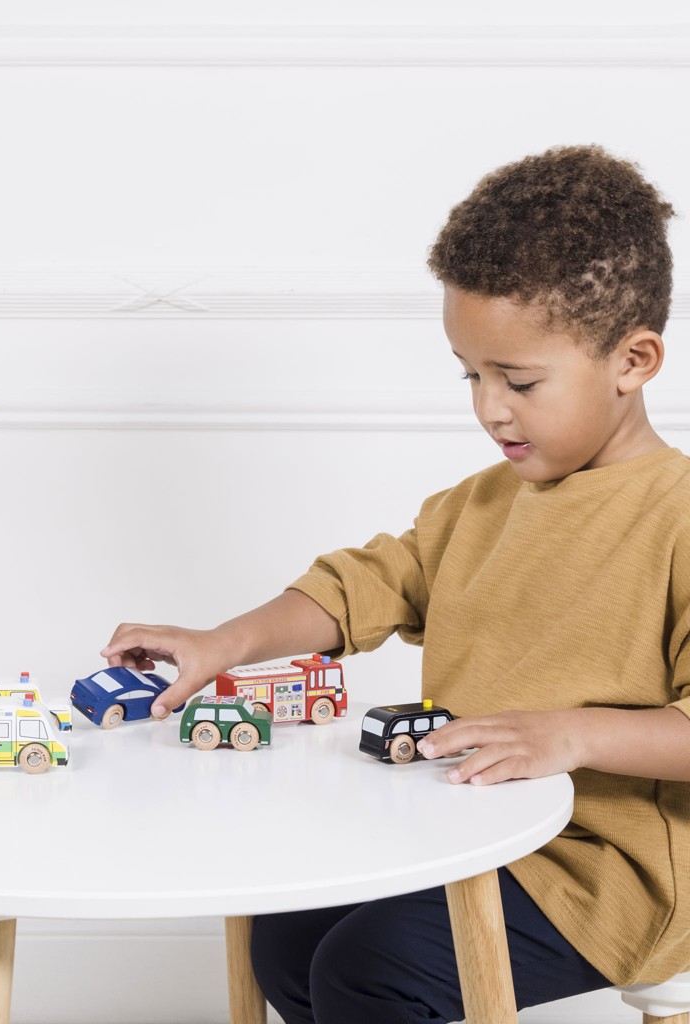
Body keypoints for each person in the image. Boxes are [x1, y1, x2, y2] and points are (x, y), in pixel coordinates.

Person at [100, 145, 690, 1023]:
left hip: (608, 873)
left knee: (372, 971)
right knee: (285, 939)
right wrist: (223, 644)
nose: (489, 407)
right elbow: (358, 588)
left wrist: (569, 733)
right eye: (472, 374)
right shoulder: (478, 506)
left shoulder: (677, 517)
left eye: (521, 381)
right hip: (466, 829)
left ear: (634, 360)